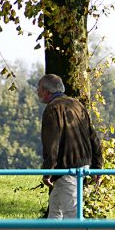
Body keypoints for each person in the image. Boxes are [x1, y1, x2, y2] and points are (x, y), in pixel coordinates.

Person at [37, 74, 103, 219]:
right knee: (55, 212)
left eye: (39, 88)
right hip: (84, 164)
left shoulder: (52, 109)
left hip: (67, 168)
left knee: (73, 214)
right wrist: (98, 166)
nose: (37, 92)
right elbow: (93, 137)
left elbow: (52, 145)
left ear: (47, 91)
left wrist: (48, 172)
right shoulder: (77, 104)